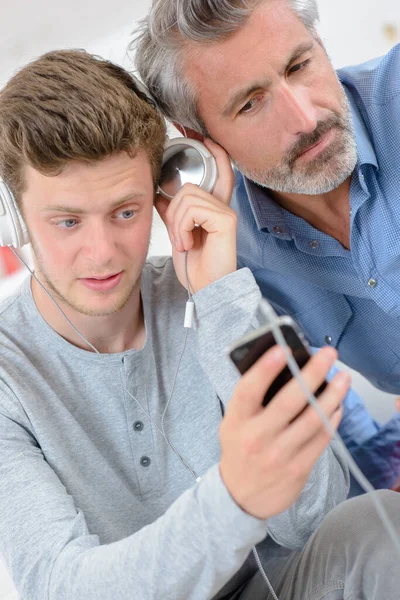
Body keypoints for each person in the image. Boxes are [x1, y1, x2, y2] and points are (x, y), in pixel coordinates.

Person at [0, 48, 398, 600]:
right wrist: (235, 498)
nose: (102, 253)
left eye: (126, 212)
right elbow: (61, 585)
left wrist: (220, 295)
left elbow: (315, 518)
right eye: (67, 221)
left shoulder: (213, 291)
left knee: (380, 523)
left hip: (283, 586)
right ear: (15, 217)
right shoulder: (7, 375)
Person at [135, 0, 400, 492]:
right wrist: (216, 291)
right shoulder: (237, 254)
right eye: (250, 103)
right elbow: (329, 454)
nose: (304, 119)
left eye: (299, 66)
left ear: (319, 45)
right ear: (199, 140)